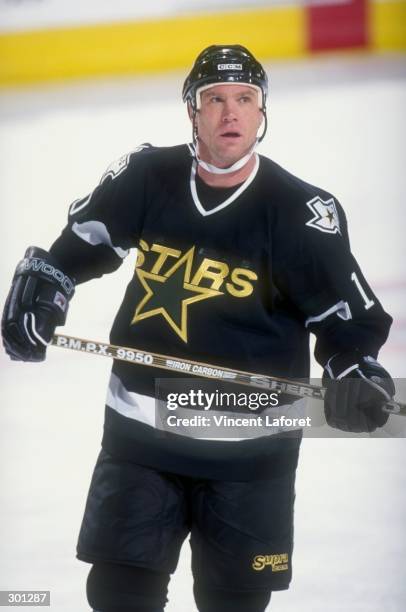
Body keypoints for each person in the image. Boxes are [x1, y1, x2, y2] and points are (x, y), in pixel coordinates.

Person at [1, 45, 395, 612]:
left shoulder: (301, 212)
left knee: (233, 602)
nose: (230, 113)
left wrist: (355, 367)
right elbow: (78, 246)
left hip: (251, 455)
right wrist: (47, 287)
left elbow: (347, 321)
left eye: (244, 99)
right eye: (215, 100)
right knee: (116, 595)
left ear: (262, 113)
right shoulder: (146, 175)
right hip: (142, 437)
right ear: (192, 111)